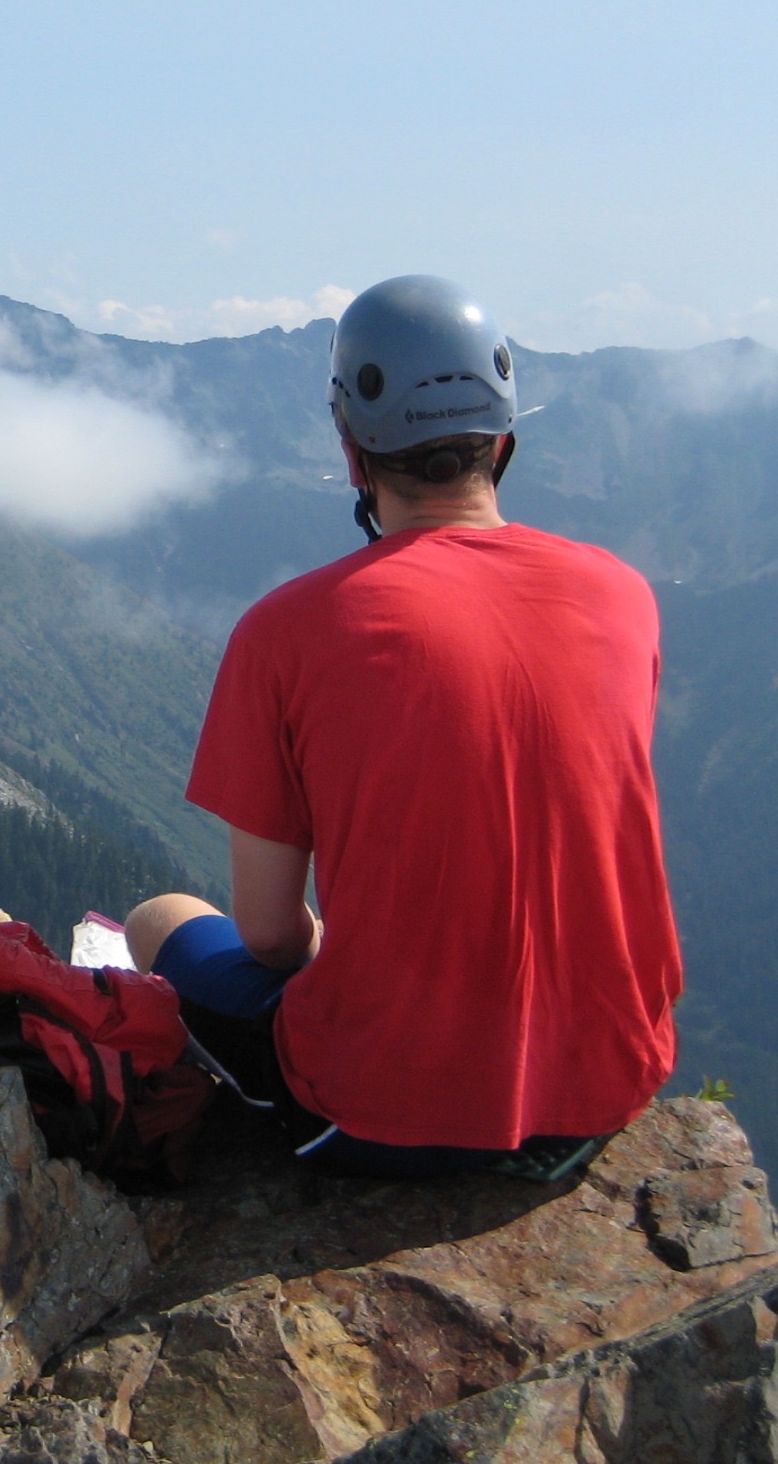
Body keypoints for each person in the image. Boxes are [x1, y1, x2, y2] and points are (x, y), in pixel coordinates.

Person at [125, 275, 682, 1177]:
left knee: (159, 917)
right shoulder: (624, 596)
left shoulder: (287, 633)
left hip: (383, 1110)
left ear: (352, 455)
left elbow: (271, 936)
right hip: (607, 1086)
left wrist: (337, 960)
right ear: (502, 441)